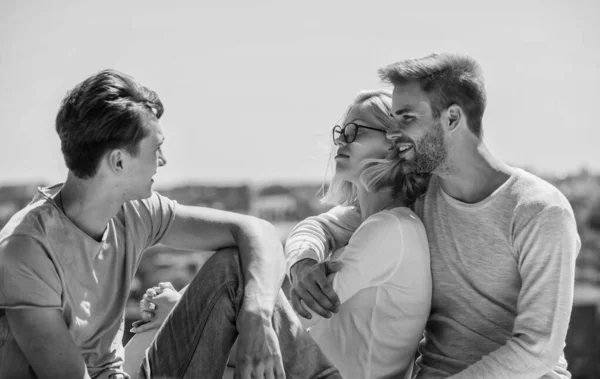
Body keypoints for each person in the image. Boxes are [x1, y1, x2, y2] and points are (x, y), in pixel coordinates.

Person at [0, 69, 341, 379]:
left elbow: (256, 231)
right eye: (155, 149)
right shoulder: (26, 249)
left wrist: (257, 315)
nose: (163, 160)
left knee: (232, 268)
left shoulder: (134, 211)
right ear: (118, 161)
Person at [285, 54, 581, 378]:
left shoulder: (539, 211)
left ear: (452, 118)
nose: (392, 133)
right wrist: (302, 264)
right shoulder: (421, 199)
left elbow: (537, 349)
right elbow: (321, 226)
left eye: (406, 118)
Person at [136, 90, 432, 379]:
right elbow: (311, 228)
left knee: (233, 270)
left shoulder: (391, 230)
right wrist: (303, 262)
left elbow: (299, 314)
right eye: (341, 131)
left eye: (355, 131)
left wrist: (184, 313)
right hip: (316, 365)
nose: (341, 140)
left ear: (393, 144)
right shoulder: (364, 220)